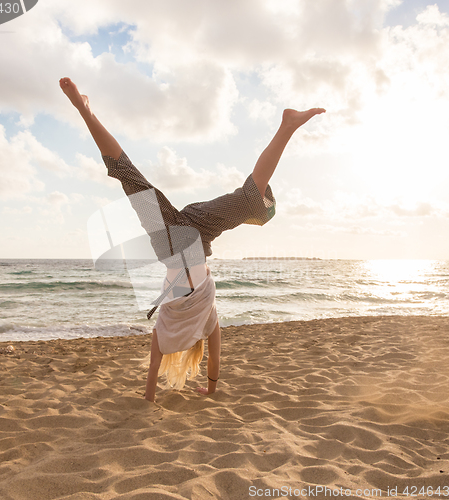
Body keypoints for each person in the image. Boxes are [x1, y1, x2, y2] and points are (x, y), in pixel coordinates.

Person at [59, 77, 325, 402]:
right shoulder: (176, 328)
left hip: (180, 237)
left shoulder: (192, 326)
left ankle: (85, 110)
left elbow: (201, 362)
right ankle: (287, 126)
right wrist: (176, 394)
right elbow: (185, 364)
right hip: (187, 236)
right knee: (242, 194)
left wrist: (165, 396)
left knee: (134, 177)